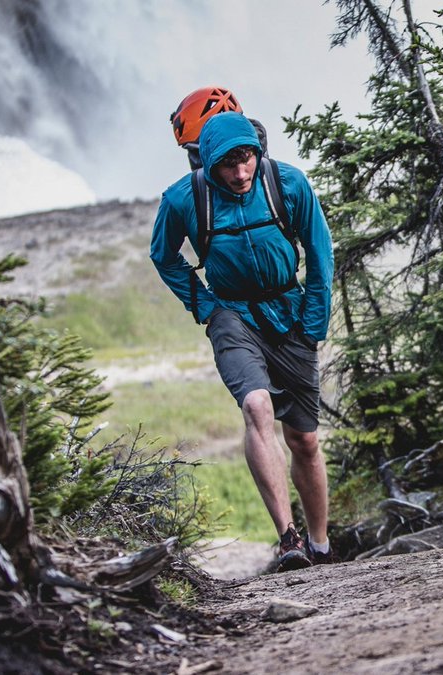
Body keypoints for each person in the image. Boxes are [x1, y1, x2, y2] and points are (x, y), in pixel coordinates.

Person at [151, 92, 334, 572]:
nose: (240, 173)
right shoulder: (182, 199)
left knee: (304, 440)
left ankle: (321, 544)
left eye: (246, 159)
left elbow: (320, 253)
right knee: (256, 406)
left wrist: (313, 322)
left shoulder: (288, 184)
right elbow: (164, 256)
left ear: (257, 151)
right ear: (208, 163)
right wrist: (207, 307)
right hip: (232, 315)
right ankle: (288, 537)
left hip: (289, 313)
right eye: (228, 164)